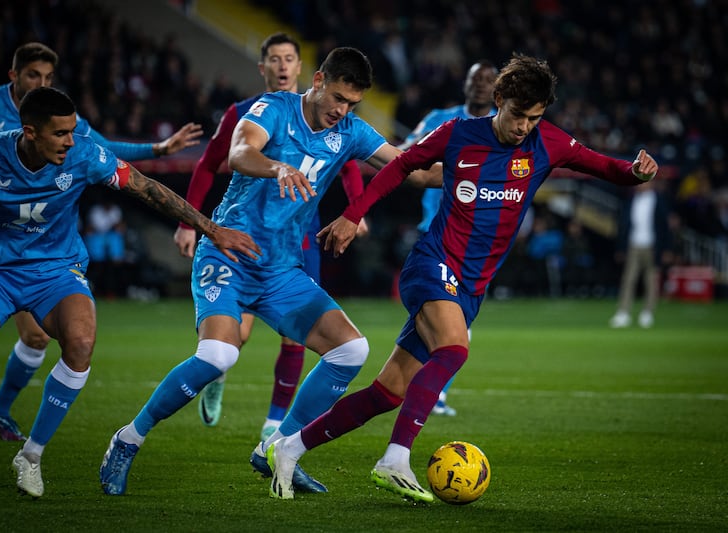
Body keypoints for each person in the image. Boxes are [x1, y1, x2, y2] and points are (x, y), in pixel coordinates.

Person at [267, 53, 659, 503]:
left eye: (534, 118)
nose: (524, 127)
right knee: (454, 349)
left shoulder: (547, 143)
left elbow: (604, 167)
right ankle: (394, 459)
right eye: (517, 116)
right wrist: (352, 215)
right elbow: (400, 166)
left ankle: (289, 449)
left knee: (387, 392)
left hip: (471, 287)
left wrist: (634, 172)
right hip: (432, 266)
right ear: (498, 100)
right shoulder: (457, 134)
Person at [99, 47, 436, 496]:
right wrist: (278, 165)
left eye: (351, 104)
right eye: (336, 97)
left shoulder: (351, 132)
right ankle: (128, 438)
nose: (341, 110)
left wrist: (475, 163)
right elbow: (239, 152)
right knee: (219, 356)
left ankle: (276, 448)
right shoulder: (273, 109)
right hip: (229, 254)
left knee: (351, 350)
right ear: (317, 80)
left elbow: (410, 169)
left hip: (280, 269)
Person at [0, 87, 258, 502]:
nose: (71, 140)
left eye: (72, 131)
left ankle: (31, 456)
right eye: (61, 133)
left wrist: (209, 228)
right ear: (30, 132)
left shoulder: (84, 154)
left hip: (57, 273)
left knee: (82, 342)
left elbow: (146, 188)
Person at [0, 42, 202, 444]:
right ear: (14, 75)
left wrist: (156, 149)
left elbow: (103, 147)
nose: (39, 82)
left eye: (47, 77)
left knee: (37, 336)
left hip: (38, 246)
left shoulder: (61, 122)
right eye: (32, 75)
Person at [173, 33, 366, 441]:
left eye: (288, 58)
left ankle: (274, 427)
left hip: (296, 241)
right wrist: (190, 223)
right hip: (243, 241)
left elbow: (348, 163)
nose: (281, 66)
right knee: (232, 340)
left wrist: (356, 210)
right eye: (274, 59)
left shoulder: (341, 122)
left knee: (299, 336)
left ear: (301, 68)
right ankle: (217, 372)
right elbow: (212, 164)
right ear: (262, 67)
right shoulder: (248, 113)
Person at [398, 59, 498, 416]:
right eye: (476, 78)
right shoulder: (441, 118)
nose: (482, 84)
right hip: (436, 230)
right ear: (466, 84)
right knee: (449, 324)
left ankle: (419, 389)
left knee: (452, 325)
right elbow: (407, 154)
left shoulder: (504, 128)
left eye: (489, 79)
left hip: (476, 238)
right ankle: (431, 394)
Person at [609, 178, 671, 328]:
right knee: (628, 279)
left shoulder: (659, 201)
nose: (641, 185)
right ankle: (623, 313)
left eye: (644, 182)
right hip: (634, 245)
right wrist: (621, 247)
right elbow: (623, 225)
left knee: (651, 280)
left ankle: (647, 313)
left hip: (652, 246)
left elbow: (665, 227)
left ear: (651, 184)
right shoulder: (631, 201)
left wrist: (667, 248)